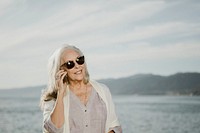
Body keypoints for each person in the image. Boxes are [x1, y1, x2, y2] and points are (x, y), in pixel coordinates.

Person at [40, 45, 122, 133]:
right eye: (70, 64)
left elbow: (115, 126)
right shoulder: (53, 97)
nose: (77, 66)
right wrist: (60, 93)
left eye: (79, 60)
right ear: (61, 70)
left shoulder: (102, 91)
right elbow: (53, 130)